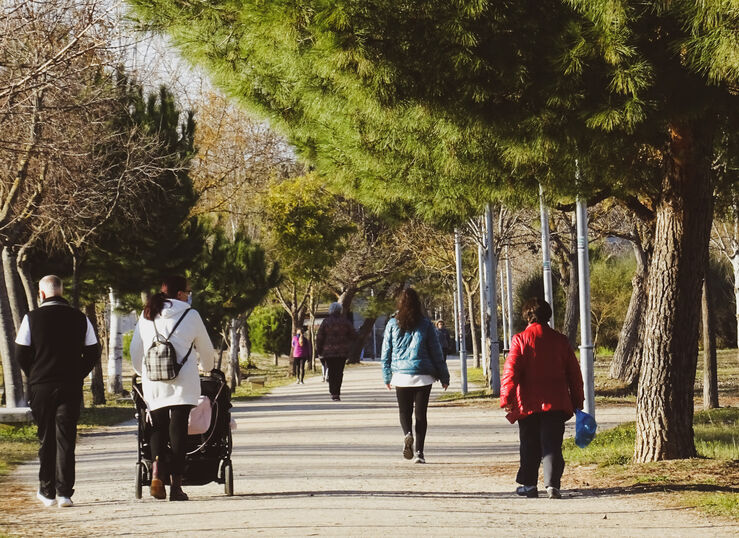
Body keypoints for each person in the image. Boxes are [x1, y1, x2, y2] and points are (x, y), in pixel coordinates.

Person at [15, 275, 100, 508]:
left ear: (41, 294)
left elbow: (21, 351)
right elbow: (93, 351)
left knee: (46, 438)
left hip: (41, 386)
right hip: (70, 385)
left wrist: (34, 373)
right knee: (66, 438)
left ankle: (47, 490)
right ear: (61, 292)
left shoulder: (31, 318)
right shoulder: (79, 318)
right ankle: (65, 493)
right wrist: (78, 373)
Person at [130, 276, 215, 501]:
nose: (189, 295)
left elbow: (135, 349)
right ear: (179, 294)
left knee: (157, 426)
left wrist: (142, 372)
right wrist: (207, 367)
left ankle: (157, 468)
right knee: (178, 430)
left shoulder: (147, 314)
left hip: (154, 381)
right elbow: (206, 349)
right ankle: (176, 486)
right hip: (183, 382)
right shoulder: (191, 314)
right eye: (187, 291)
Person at [500, 297, 584, 499]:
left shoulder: (520, 339)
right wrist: (578, 401)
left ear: (527, 317)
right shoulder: (561, 340)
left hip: (528, 402)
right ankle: (552, 484)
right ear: (548, 316)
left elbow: (511, 372)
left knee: (529, 443)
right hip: (556, 401)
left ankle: (529, 485)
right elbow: (574, 373)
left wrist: (507, 398)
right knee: (552, 443)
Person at [382, 288, 450, 464]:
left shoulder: (392, 324)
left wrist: (387, 375)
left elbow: (386, 352)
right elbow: (436, 352)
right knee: (421, 414)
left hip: (400, 375)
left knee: (405, 411)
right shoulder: (426, 324)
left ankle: (407, 434)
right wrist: (444, 376)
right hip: (423, 375)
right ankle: (419, 452)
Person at [315, 302, 356, 401]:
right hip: (342, 352)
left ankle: (333, 392)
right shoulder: (345, 322)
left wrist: (319, 349)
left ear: (330, 310)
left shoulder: (326, 322)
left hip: (328, 352)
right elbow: (353, 335)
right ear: (340, 310)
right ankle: (337, 392)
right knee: (339, 372)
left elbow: (320, 337)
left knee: (332, 371)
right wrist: (348, 344)